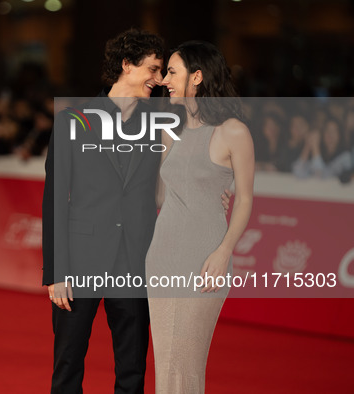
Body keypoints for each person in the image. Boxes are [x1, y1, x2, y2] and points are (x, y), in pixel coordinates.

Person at [42, 29, 232, 393]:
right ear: (126, 65)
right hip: (80, 262)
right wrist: (56, 271)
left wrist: (212, 193)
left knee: (132, 370)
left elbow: (185, 176)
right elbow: (54, 199)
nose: (159, 79)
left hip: (137, 262)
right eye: (154, 68)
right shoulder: (73, 121)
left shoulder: (163, 124)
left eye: (163, 71)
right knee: (67, 365)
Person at [145, 41, 254, 393]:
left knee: (185, 364)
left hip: (204, 259)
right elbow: (161, 195)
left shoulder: (233, 131)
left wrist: (223, 253)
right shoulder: (170, 129)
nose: (165, 80)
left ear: (198, 77)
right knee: (166, 365)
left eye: (172, 73)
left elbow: (245, 200)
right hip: (162, 256)